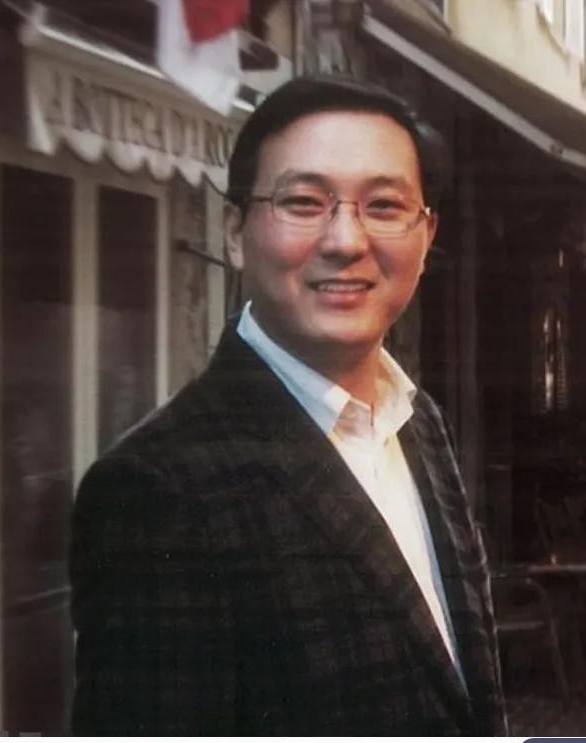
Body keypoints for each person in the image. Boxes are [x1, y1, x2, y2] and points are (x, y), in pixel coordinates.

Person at [70, 75, 506, 736]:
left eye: (384, 205)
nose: (345, 240)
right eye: (303, 201)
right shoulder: (158, 489)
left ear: (425, 236)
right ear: (234, 232)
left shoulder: (418, 423)